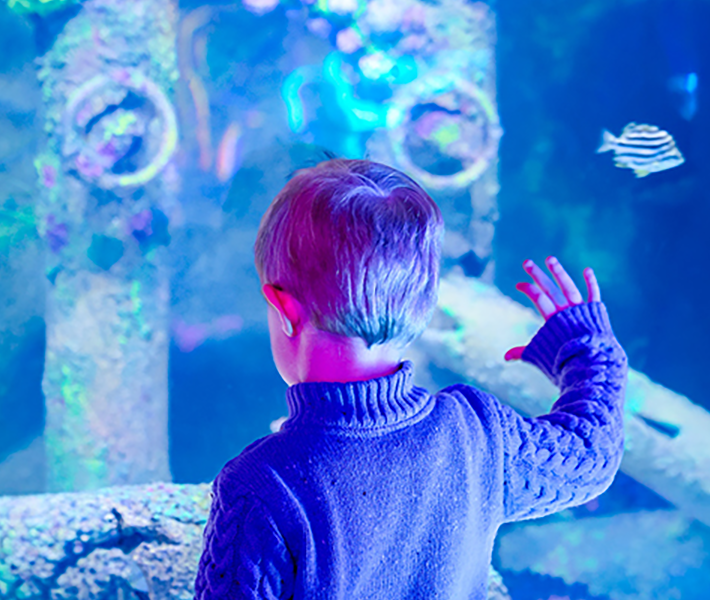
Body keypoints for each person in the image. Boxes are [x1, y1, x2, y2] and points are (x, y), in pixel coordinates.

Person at [194, 159, 627, 599]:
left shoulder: (258, 487)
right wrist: (588, 349)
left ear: (284, 310)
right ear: (422, 304)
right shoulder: (476, 433)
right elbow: (589, 457)